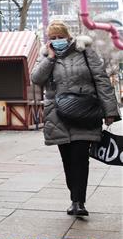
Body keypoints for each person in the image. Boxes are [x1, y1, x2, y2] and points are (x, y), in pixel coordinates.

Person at [30, 20, 120, 217]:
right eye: (52, 38)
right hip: (58, 116)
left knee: (80, 157)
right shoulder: (46, 56)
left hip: (85, 113)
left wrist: (109, 112)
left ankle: (78, 202)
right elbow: (36, 79)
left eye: (60, 37)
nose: (57, 40)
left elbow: (102, 81)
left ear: (68, 37)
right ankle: (75, 196)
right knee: (68, 160)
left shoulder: (84, 52)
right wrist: (50, 58)